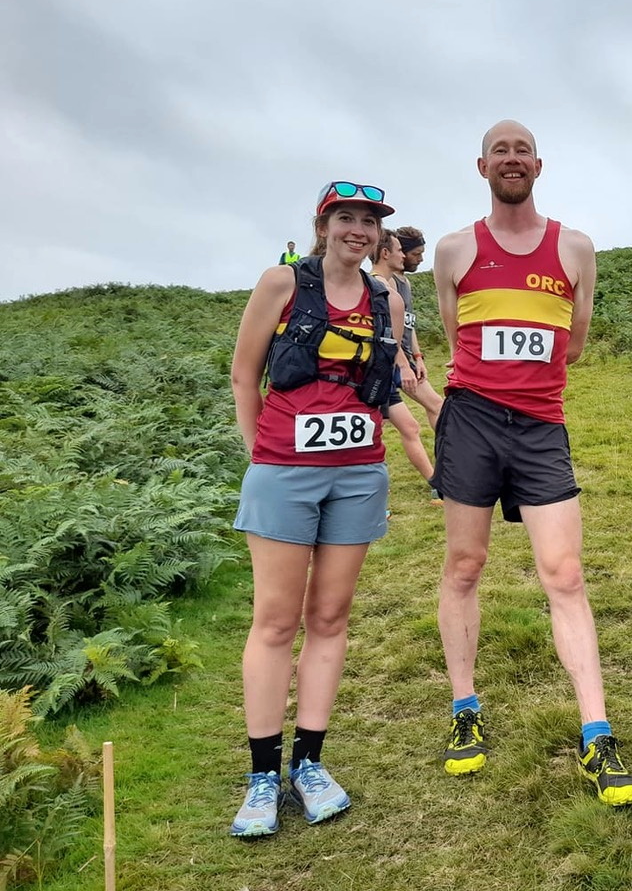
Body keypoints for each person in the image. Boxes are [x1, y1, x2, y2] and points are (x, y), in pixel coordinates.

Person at [430, 120, 632, 806]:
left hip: (541, 426)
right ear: (482, 167)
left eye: (522, 150)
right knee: (465, 565)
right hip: (471, 422)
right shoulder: (455, 250)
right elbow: (455, 335)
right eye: (500, 151)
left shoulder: (574, 248)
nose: (512, 159)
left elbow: (573, 343)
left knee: (566, 573)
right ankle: (465, 709)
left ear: (539, 165)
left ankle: (596, 733)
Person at [228, 181, 404, 837]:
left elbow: (383, 383)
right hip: (284, 472)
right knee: (276, 621)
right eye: (345, 218)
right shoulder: (282, 284)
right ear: (323, 225)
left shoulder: (385, 298)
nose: (358, 229)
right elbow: (244, 374)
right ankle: (261, 777)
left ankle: (309, 763)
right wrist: (262, 455)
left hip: (358, 473)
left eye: (369, 221)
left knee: (329, 618)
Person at [368, 230, 439, 483]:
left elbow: (408, 326)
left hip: (401, 362)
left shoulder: (402, 283)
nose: (405, 256)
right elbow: (388, 335)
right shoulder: (378, 285)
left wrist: (417, 357)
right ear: (386, 253)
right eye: (401, 251)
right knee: (376, 430)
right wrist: (404, 365)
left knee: (413, 424)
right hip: (385, 367)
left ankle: (438, 480)